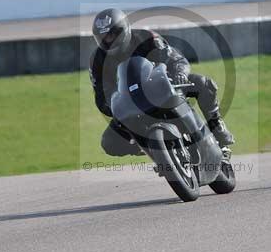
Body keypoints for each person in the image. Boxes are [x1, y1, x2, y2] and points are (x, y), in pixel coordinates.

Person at [89, 8, 235, 156]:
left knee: (204, 84)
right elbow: (101, 94)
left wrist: (179, 74)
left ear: (125, 29)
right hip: (130, 105)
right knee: (109, 143)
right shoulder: (97, 60)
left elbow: (175, 59)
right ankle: (147, 148)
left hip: (163, 87)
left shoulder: (146, 37)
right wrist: (114, 105)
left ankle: (217, 126)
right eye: (104, 38)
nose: (109, 40)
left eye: (113, 34)